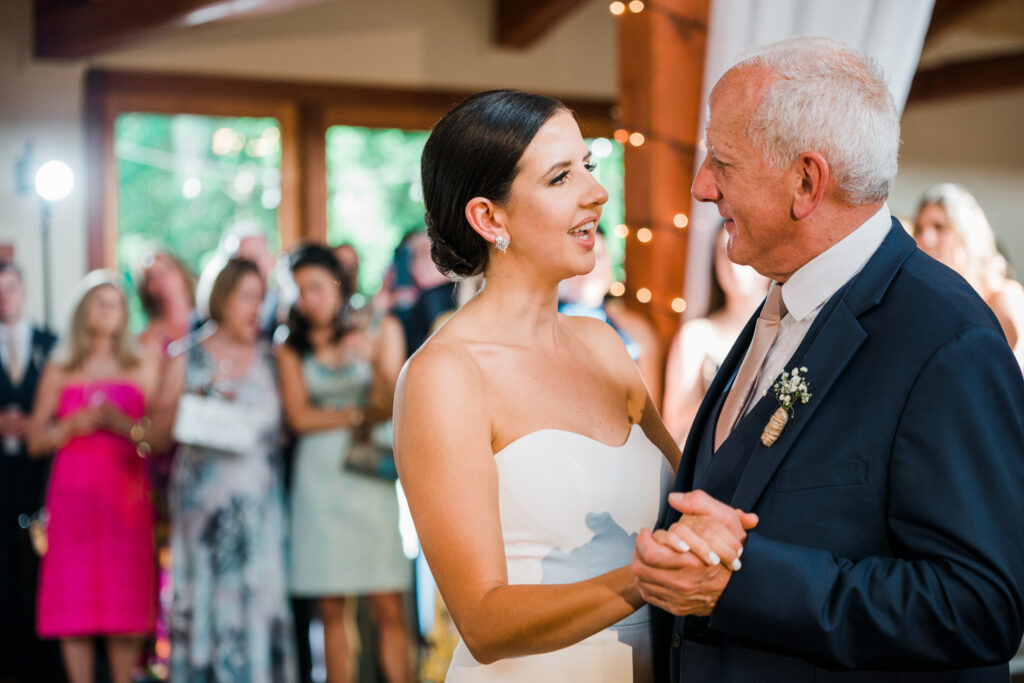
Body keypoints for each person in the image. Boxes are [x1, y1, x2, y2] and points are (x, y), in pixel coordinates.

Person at [631, 36, 1024, 682]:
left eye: (721, 162)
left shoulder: (947, 339)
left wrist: (744, 581)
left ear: (806, 182)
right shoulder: (781, 300)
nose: (702, 186)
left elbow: (979, 605)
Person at [393, 89, 748, 683]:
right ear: (489, 218)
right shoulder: (445, 376)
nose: (596, 192)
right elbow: (482, 622)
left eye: (589, 165)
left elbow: (687, 494)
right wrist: (646, 578)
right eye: (561, 177)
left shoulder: (602, 345)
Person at [150, 258, 297, 683]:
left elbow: (289, 431)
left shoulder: (273, 359)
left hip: (259, 514)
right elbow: (156, 439)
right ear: (221, 298)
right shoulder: (185, 359)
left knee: (256, 608)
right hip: (203, 521)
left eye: (262, 297)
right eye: (247, 297)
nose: (256, 307)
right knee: (207, 611)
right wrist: (189, 409)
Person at [277, 243, 411, 683]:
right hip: (317, 482)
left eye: (315, 287)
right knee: (330, 606)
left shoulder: (381, 327)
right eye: (297, 290)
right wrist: (354, 415)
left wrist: (372, 360)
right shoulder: (290, 345)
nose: (307, 299)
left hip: (369, 476)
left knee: (387, 602)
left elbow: (398, 403)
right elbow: (299, 417)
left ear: (336, 284)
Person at [26, 270, 161, 683]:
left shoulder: (142, 364)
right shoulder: (60, 367)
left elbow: (159, 437)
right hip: (73, 501)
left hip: (126, 499)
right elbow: (35, 439)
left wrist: (126, 427)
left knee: (125, 604)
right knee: (75, 605)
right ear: (83, 312)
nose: (107, 311)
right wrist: (71, 426)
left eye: (116, 303)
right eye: (99, 303)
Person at [0, 261, 62, 683]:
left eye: (10, 288)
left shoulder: (52, 345)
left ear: (24, 290)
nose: (5, 298)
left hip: (42, 475)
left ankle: (46, 662)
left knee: (42, 564)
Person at [661, 226, 767, 445]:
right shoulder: (696, 336)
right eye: (724, 252)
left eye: (745, 249)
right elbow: (672, 429)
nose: (734, 264)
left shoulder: (792, 330)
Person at [913, 183, 1024, 368]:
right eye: (919, 228)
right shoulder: (929, 303)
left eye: (939, 227)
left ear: (968, 235)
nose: (925, 239)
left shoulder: (1002, 297)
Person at [559, 227, 664, 406]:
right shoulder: (538, 322)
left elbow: (651, 408)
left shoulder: (636, 329)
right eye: (578, 254)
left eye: (597, 256)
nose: (589, 266)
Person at [136, 251, 196, 353]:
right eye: (153, 276)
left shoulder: (210, 319)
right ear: (148, 288)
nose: (162, 278)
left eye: (167, 269)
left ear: (182, 273)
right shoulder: (149, 338)